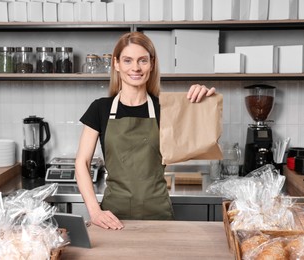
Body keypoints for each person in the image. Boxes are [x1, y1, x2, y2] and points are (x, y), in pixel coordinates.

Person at [75, 32, 215, 230]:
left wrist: (205, 102)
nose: (136, 68)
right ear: (116, 64)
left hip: (158, 215)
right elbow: (82, 162)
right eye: (128, 60)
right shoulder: (100, 108)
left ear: (152, 64)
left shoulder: (166, 108)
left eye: (142, 60)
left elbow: (205, 140)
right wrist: (95, 211)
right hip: (113, 217)